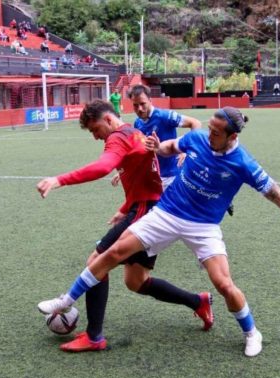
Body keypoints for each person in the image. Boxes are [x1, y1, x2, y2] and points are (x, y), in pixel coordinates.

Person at [38, 106, 280, 357]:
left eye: (217, 133)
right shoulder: (198, 138)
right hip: (166, 213)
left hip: (203, 226)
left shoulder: (245, 164)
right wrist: (158, 148)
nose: (209, 134)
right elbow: (170, 147)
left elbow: (279, 197)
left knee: (224, 284)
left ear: (233, 137)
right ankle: (66, 301)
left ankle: (252, 332)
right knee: (113, 253)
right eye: (211, 128)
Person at [35, 100, 214, 352]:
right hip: (151, 208)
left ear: (108, 120)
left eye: (95, 129)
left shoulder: (118, 137)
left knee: (96, 261)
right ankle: (197, 301)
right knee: (136, 281)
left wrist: (59, 180)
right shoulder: (135, 133)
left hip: (146, 211)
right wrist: (124, 209)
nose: (96, 137)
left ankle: (94, 336)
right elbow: (143, 175)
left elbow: (103, 166)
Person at [127, 85, 201, 188]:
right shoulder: (137, 123)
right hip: (153, 176)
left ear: (150, 100)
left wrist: (188, 150)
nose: (139, 109)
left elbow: (195, 123)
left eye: (143, 104)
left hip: (172, 176)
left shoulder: (164, 116)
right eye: (135, 105)